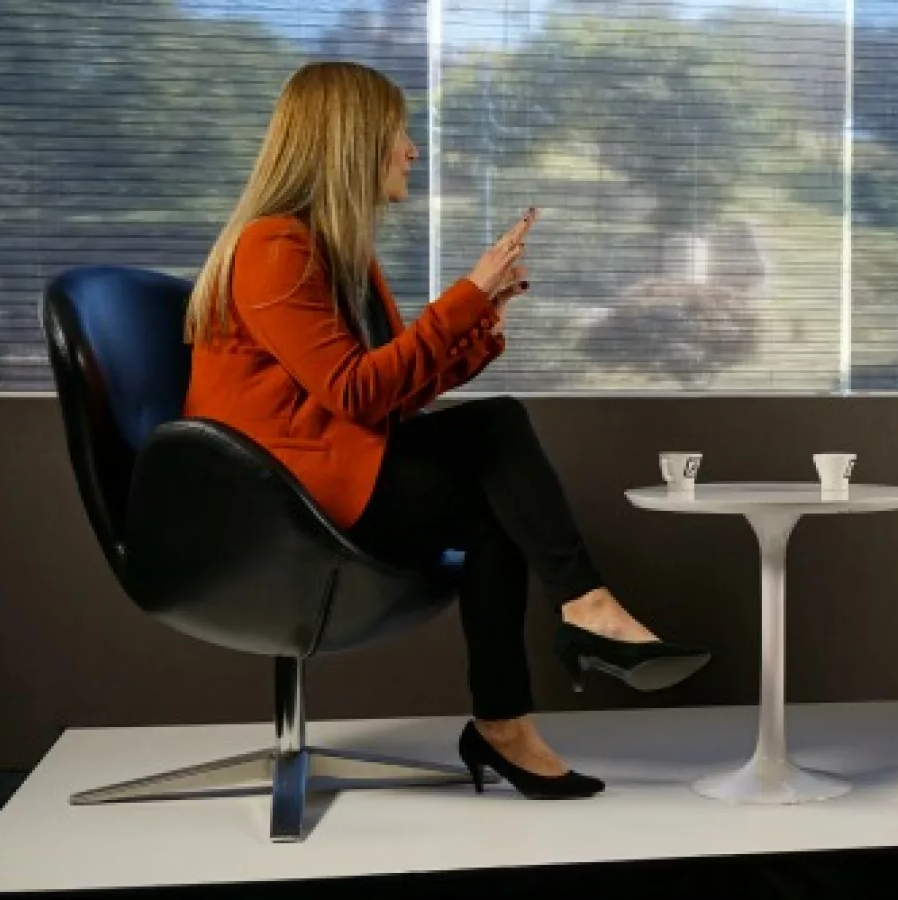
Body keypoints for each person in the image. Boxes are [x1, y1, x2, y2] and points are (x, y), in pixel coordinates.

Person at [182, 61, 710, 801]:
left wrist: (479, 321)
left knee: (499, 498)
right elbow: (357, 393)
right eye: (399, 134)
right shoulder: (274, 248)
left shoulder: (340, 253)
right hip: (274, 499)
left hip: (330, 465)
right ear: (352, 142)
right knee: (497, 433)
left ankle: (507, 720)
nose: (412, 150)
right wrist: (466, 295)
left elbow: (388, 400)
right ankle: (583, 615)